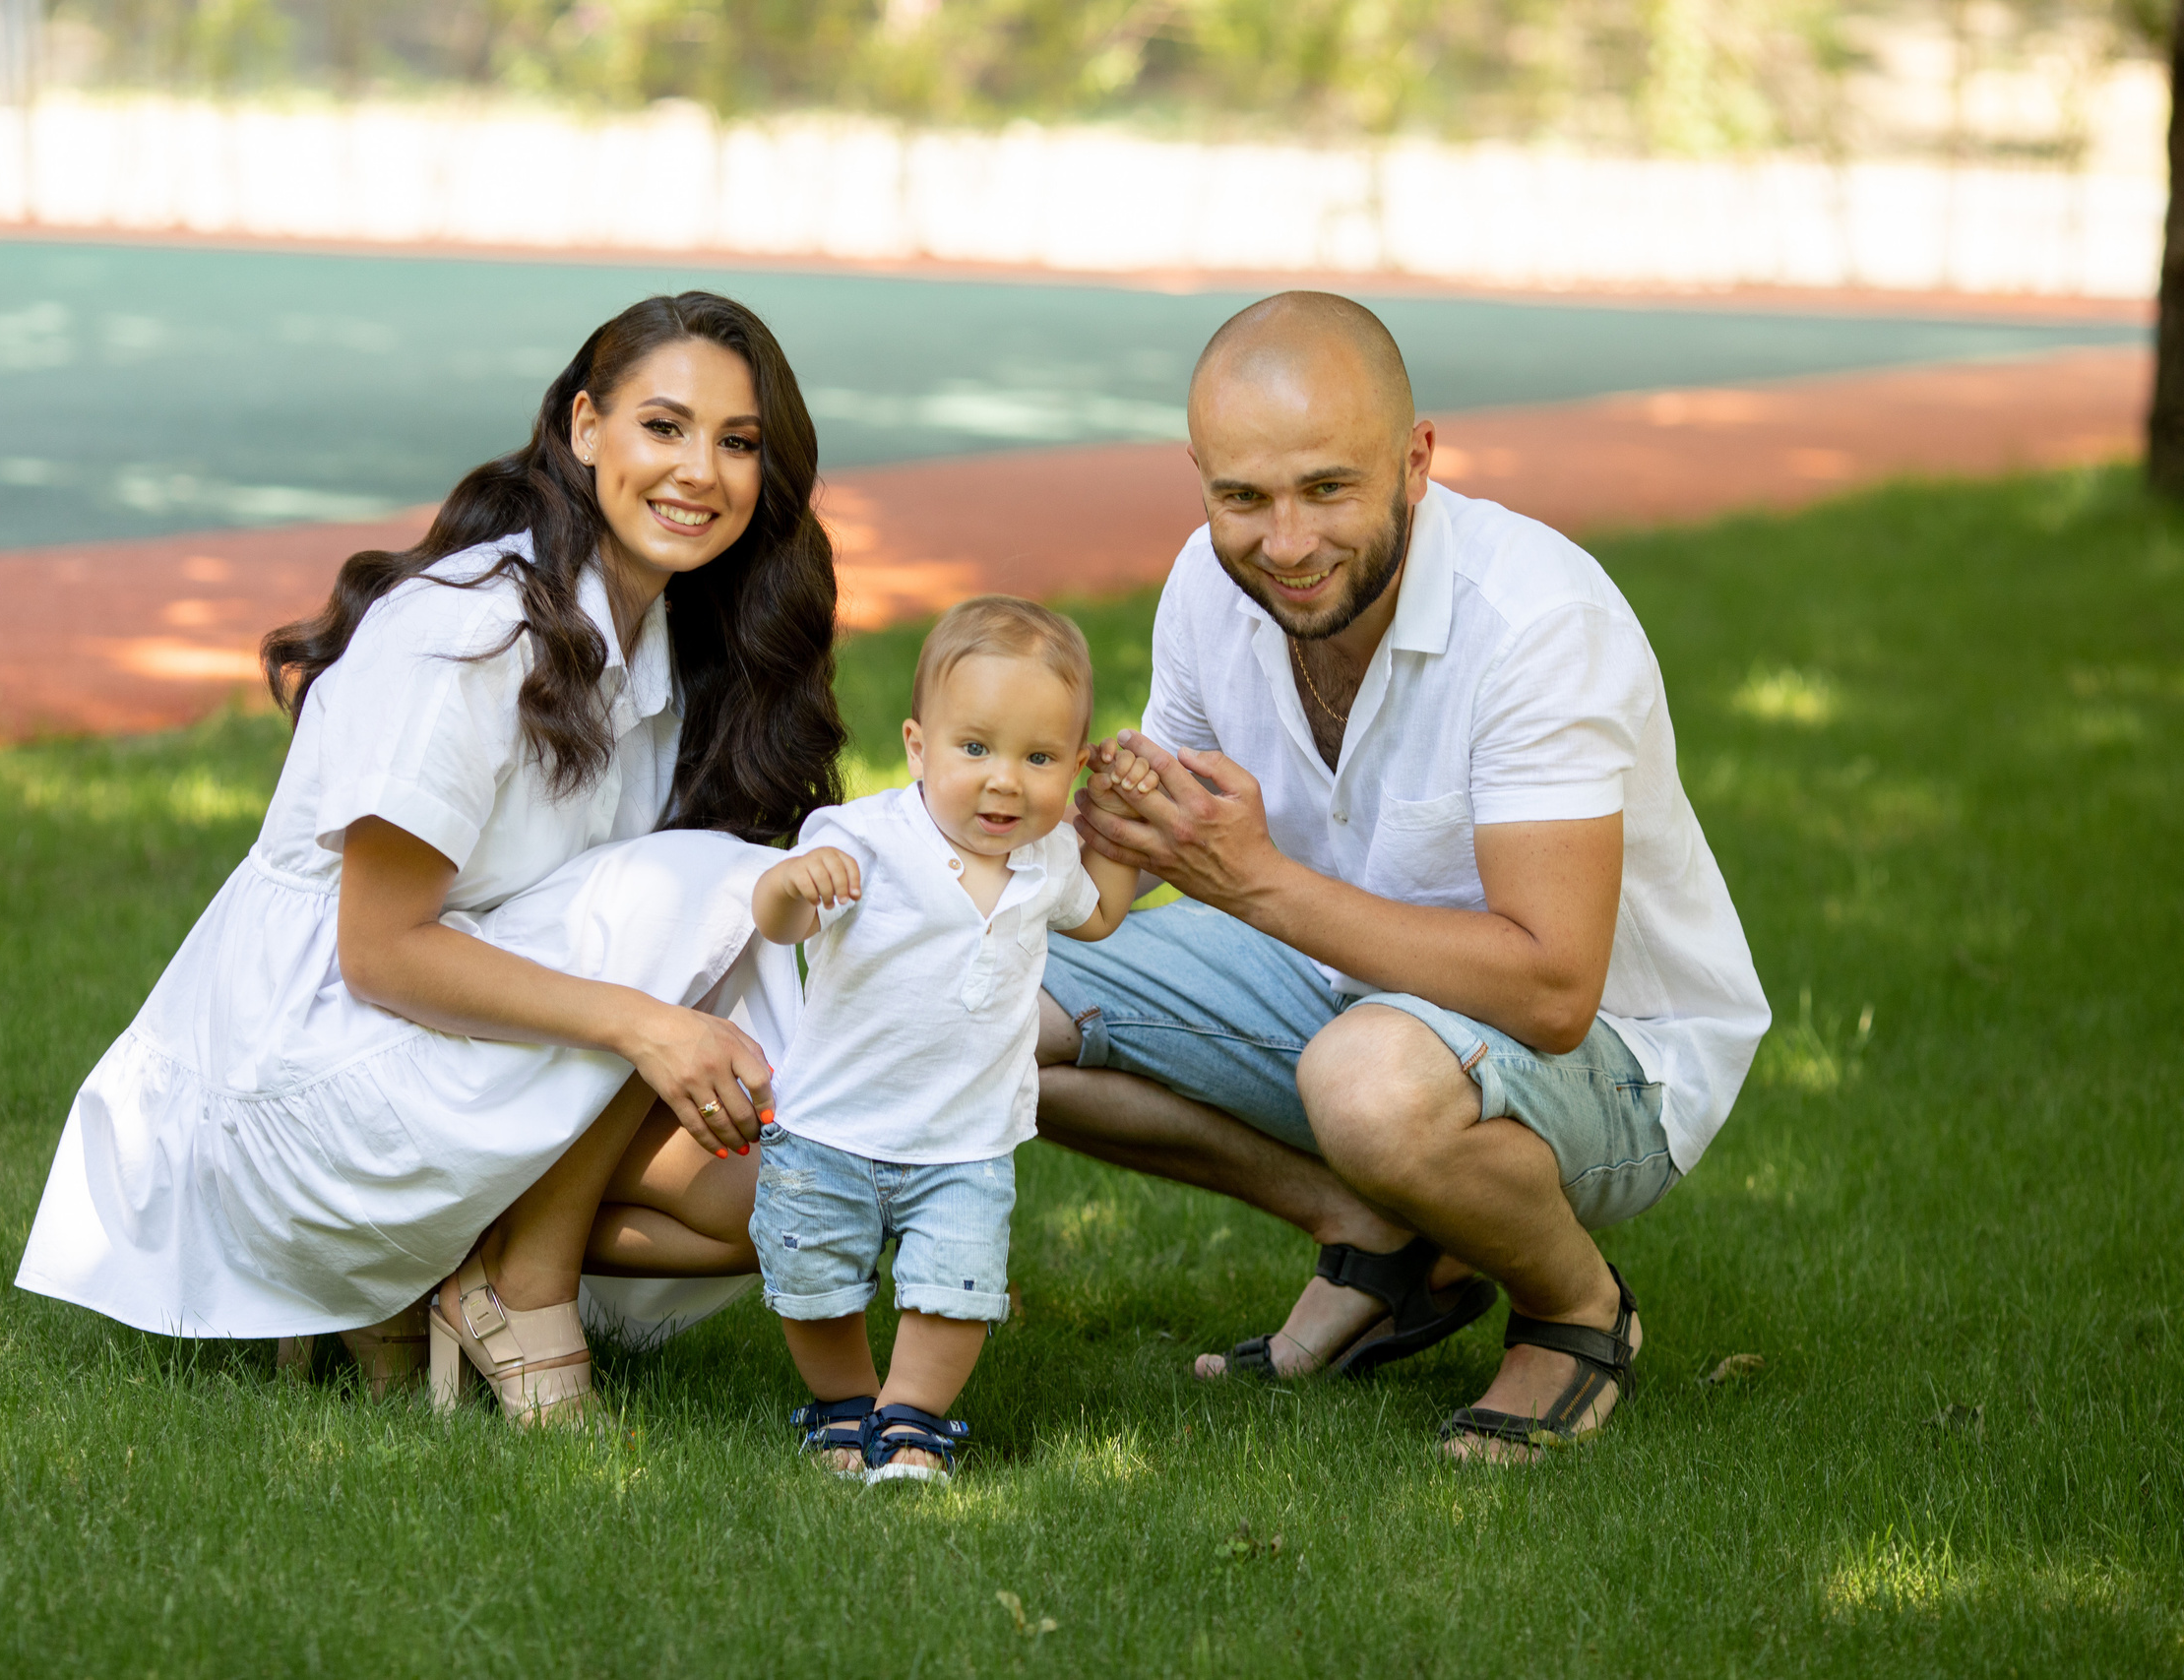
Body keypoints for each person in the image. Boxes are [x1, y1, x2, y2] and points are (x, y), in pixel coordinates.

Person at [15, 291, 845, 1422]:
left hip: (448, 1058)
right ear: (585, 426)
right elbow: (381, 954)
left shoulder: (666, 644)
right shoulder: (470, 628)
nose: (699, 470)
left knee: (787, 1195)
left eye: (737, 442)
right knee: (713, 882)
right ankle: (519, 1289)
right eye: (664, 426)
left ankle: (441, 1272)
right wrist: (646, 1027)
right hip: (305, 1093)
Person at [1043, 291, 1771, 1460]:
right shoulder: (1208, 584)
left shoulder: (1535, 622)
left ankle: (1576, 1311)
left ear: (1415, 461)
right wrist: (998, 843)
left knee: (1369, 1084)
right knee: (968, 998)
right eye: (1243, 497)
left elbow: (1553, 992)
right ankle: (1376, 1237)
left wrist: (1255, 883)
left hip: (1612, 1061)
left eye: (1327, 488)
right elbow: (1123, 870)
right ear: (1201, 480)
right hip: (1344, 992)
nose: (1285, 544)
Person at [745, 598, 1149, 1483]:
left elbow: (1101, 913)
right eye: (975, 748)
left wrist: (1117, 817)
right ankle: (845, 1407)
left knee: (955, 1290)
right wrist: (791, 882)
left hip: (966, 1140)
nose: (1006, 782)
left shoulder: (1048, 860)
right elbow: (779, 924)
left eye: (1039, 759)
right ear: (918, 746)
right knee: (814, 1284)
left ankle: (911, 1421)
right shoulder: (864, 839)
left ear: (1073, 765)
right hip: (831, 1129)